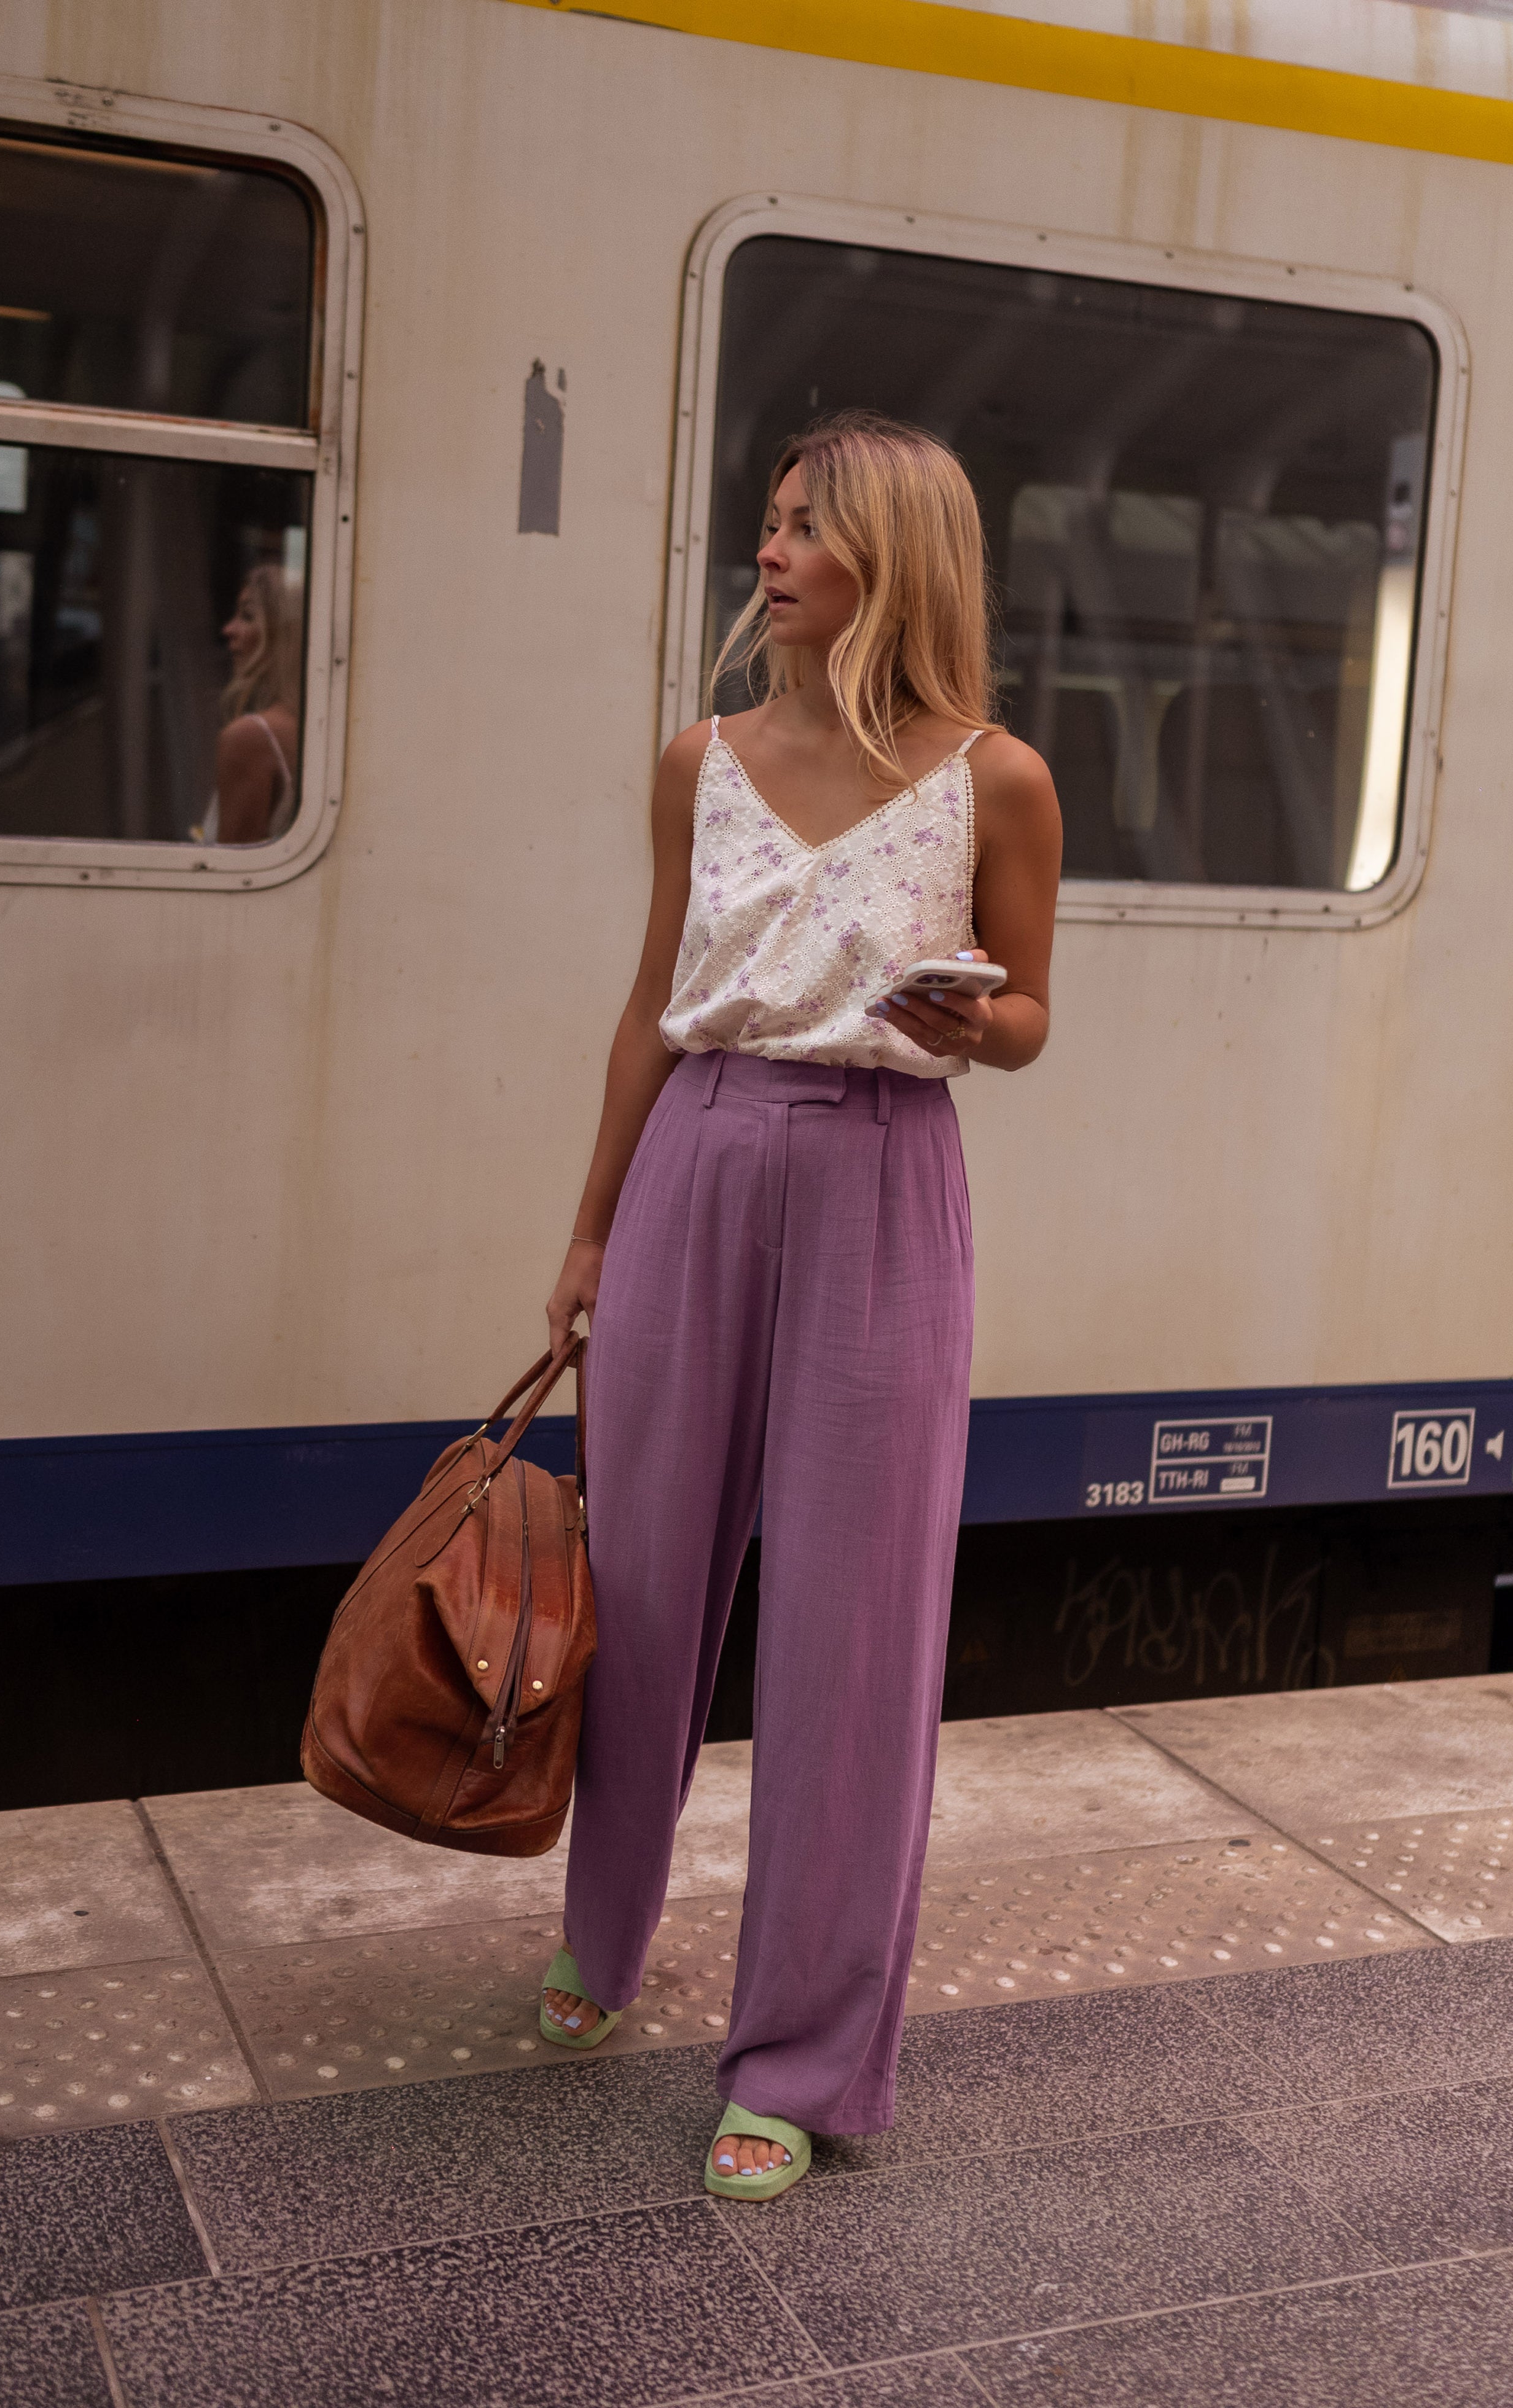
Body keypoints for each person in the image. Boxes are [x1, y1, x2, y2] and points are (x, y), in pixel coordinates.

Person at [539, 411, 1061, 2198]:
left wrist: (968, 1024)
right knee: (644, 1583)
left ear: (892, 559)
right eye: (766, 524)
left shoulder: (999, 779)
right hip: (698, 1151)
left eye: (806, 529)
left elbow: (1031, 1015)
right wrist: (594, 1225)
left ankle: (798, 2059)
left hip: (884, 1175)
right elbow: (647, 997)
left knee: (853, 1634)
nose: (769, 554)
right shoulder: (699, 758)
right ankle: (600, 1940)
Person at [194, 562, 300, 844]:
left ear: (286, 633)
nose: (229, 629)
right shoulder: (310, 729)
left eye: (248, 616)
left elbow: (232, 879)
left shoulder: (251, 737)